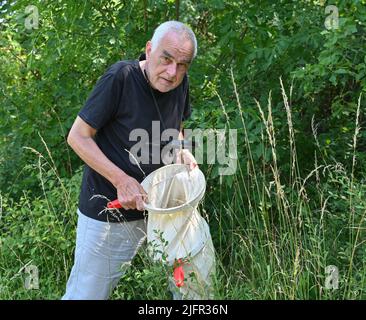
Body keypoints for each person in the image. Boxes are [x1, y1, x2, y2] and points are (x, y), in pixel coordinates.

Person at [62, 21, 198, 300]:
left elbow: (178, 126)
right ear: (149, 50)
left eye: (182, 65)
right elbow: (78, 137)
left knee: (191, 289)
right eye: (166, 59)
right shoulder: (120, 78)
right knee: (86, 295)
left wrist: (182, 149)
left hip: (163, 210)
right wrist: (121, 180)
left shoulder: (180, 82)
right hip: (110, 213)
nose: (172, 73)